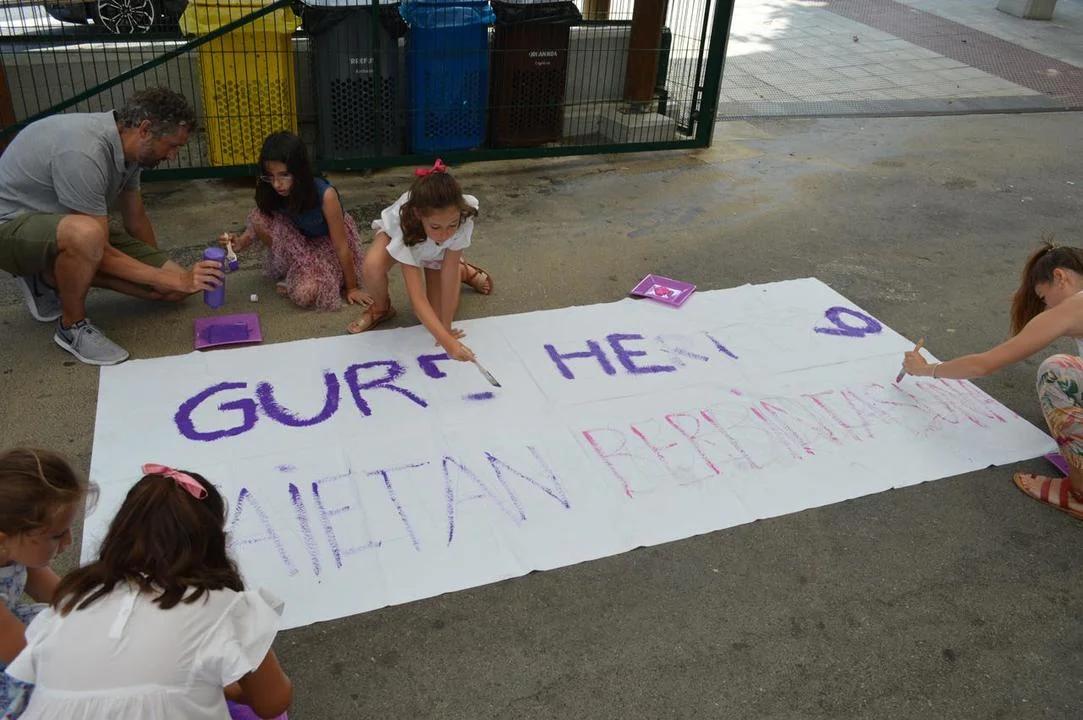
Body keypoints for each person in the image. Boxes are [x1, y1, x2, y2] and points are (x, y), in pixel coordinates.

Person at [5, 464, 293, 719]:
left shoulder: (73, 599)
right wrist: (229, 688)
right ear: (213, 543)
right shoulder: (227, 609)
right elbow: (273, 703)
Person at [0, 87, 224, 366]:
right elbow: (95, 246)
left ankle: (48, 277)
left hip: (62, 223)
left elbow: (135, 217)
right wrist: (169, 278)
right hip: (10, 226)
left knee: (173, 290)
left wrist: (164, 277)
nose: (173, 156)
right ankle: (71, 326)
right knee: (87, 235)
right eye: (172, 146)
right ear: (145, 129)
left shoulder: (131, 151)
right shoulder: (84, 152)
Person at [903, 241, 1083, 521]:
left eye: (1043, 297)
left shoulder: (1074, 307)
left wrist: (925, 369)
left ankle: (1078, 492)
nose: (1046, 307)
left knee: (1055, 373)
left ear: (1060, 277)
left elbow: (984, 364)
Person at [350, 159, 492, 362]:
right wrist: (449, 345)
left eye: (452, 225)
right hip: (406, 237)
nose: (445, 234)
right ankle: (381, 309)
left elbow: (448, 271)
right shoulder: (407, 225)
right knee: (372, 267)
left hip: (439, 254)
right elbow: (417, 298)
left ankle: (462, 270)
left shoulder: (460, 218)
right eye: (436, 227)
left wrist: (446, 327)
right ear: (418, 215)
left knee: (438, 317)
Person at [219, 131, 372, 311]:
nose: (277, 184)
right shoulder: (271, 189)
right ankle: (298, 270)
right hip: (300, 241)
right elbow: (262, 219)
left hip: (327, 245)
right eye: (271, 176)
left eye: (284, 175)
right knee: (258, 218)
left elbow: (341, 246)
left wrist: (352, 288)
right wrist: (239, 243)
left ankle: (310, 274)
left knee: (306, 292)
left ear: (300, 172)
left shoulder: (325, 195)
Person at [0, 448, 93, 718]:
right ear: (4, 540)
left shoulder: (14, 547)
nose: (68, 542)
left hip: (10, 633)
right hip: (11, 650)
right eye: (56, 536)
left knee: (62, 621)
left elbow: (63, 596)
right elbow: (28, 658)